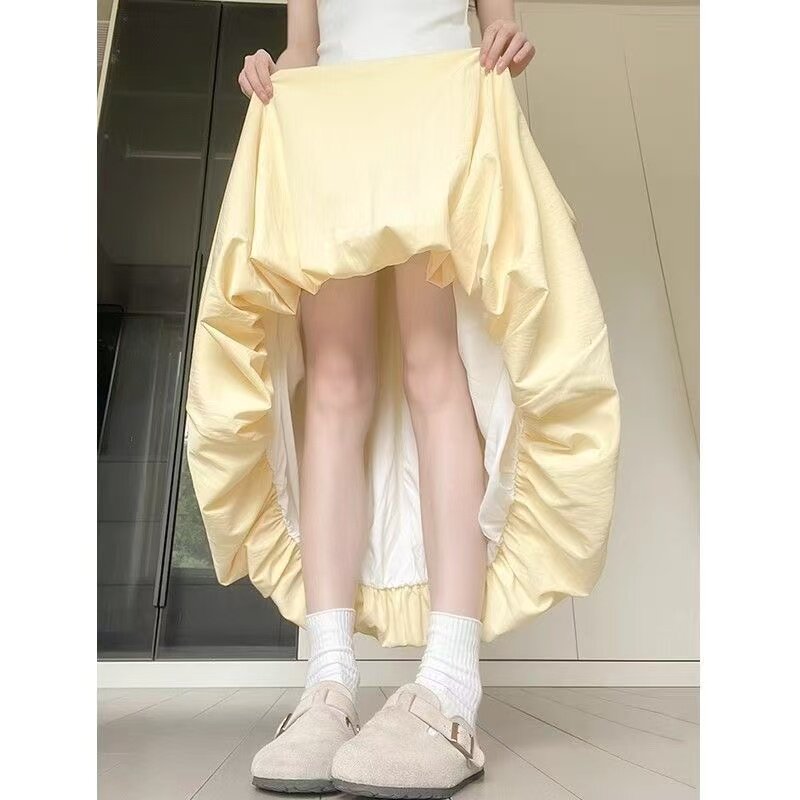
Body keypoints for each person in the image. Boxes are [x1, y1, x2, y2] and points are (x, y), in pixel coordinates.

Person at [185, 0, 619, 796]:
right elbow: (306, 45)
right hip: (331, 123)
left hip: (437, 105)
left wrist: (506, 38)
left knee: (432, 367)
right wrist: (273, 69)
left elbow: (496, 24)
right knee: (336, 380)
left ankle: (450, 683)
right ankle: (328, 682)